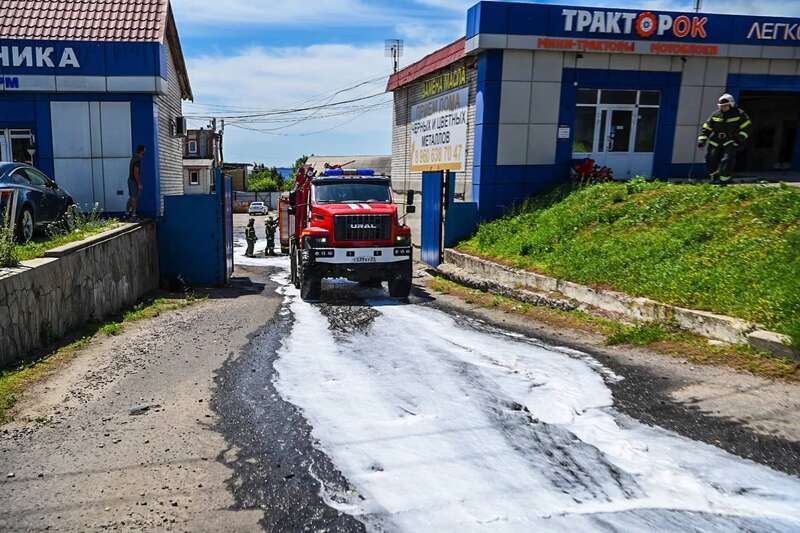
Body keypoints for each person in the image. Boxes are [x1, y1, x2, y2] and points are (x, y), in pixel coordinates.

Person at [697, 94, 752, 185]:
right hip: (715, 140)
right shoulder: (715, 114)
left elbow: (747, 128)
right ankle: (714, 177)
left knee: (727, 160)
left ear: (731, 104)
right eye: (721, 106)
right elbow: (707, 127)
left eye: (725, 106)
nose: (723, 107)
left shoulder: (740, 114)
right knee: (710, 159)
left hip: (730, 140)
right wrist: (702, 140)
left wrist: (739, 139)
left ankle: (724, 180)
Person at [127, 145, 145, 219]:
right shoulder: (137, 159)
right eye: (144, 150)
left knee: (132, 197)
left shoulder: (134, 158)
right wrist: (139, 184)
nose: (145, 152)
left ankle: (128, 212)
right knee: (134, 197)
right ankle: (133, 214)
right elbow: (136, 172)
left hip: (131, 180)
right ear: (141, 151)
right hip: (133, 181)